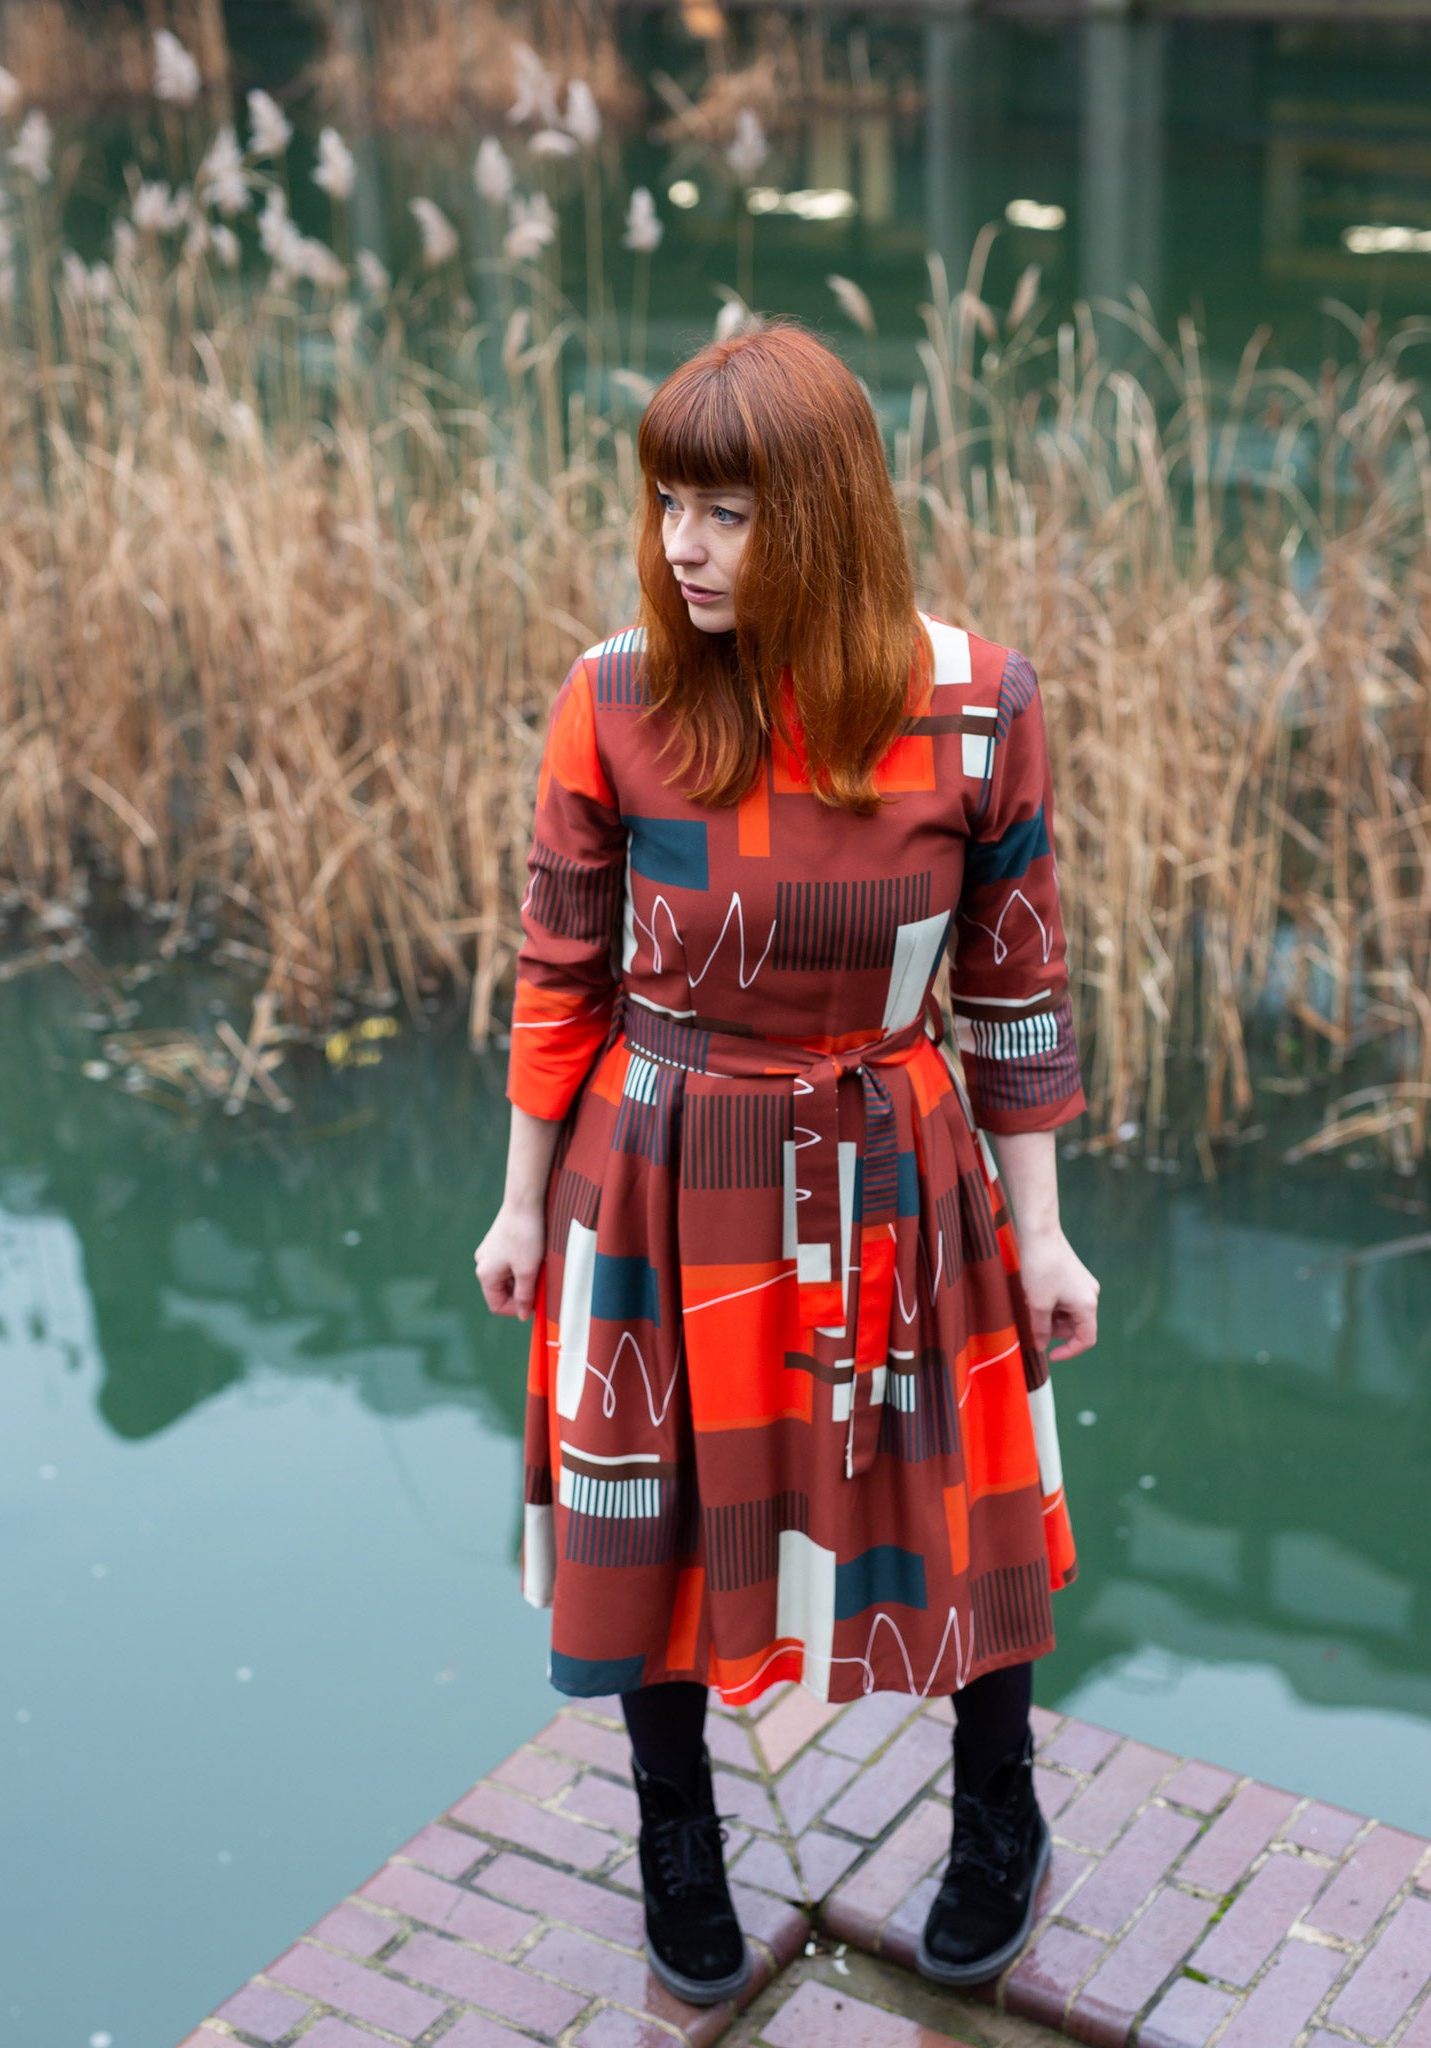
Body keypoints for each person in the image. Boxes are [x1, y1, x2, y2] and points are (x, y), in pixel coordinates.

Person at [475, 321, 1099, 2004]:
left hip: (898, 1154)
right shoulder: (614, 702)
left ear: (823, 513)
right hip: (663, 1163)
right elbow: (559, 967)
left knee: (968, 1508)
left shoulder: (977, 708)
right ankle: (676, 1835)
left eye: (728, 513)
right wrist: (524, 1197)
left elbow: (1014, 981)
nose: (682, 545)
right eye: (670, 502)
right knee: (655, 1521)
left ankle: (999, 1818)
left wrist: (1042, 1235)